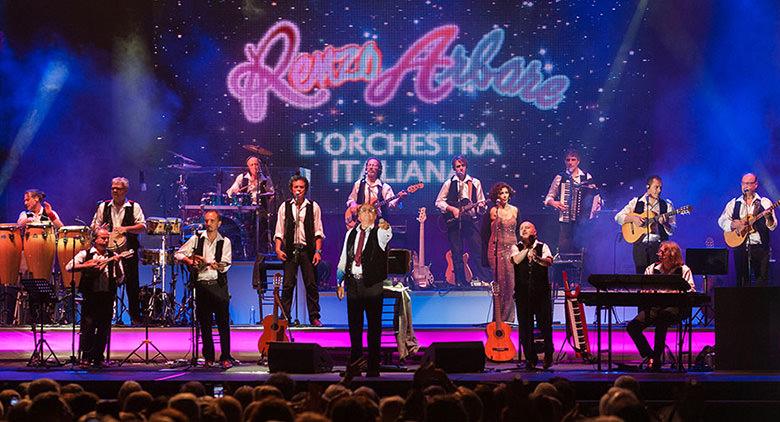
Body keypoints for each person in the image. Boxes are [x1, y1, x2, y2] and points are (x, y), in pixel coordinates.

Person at [336, 204, 392, 377]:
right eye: (363, 211)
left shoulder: (380, 233)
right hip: (353, 284)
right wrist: (340, 282)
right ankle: (355, 364)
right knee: (355, 327)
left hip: (372, 285)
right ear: (358, 216)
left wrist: (385, 224)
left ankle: (373, 366)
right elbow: (344, 259)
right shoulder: (350, 234)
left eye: (371, 211)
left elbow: (388, 233)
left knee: (374, 327)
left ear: (375, 216)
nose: (367, 214)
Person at [174, 210, 235, 369]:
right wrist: (189, 260)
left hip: (218, 286)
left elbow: (226, 263)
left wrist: (218, 266)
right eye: (207, 221)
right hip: (201, 286)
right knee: (205, 325)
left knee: (223, 325)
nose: (208, 224)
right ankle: (209, 357)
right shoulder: (196, 239)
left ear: (219, 223)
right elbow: (178, 254)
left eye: (212, 221)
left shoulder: (225, 241)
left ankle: (225, 357)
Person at [626, 241, 695, 371]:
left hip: (676, 308)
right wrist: (645, 292)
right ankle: (650, 354)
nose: (659, 254)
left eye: (663, 252)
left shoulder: (684, 270)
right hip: (655, 307)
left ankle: (656, 358)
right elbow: (643, 288)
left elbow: (691, 291)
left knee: (662, 318)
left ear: (672, 254)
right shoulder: (651, 269)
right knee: (632, 327)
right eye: (660, 251)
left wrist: (679, 292)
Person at [90, 177, 146, 325]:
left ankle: (135, 317)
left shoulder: (134, 207)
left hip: (128, 251)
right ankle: (107, 317)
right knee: (109, 285)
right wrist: (102, 230)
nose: (114, 191)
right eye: (113, 188)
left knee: (132, 285)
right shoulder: (104, 206)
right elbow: (94, 226)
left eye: (118, 188)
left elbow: (143, 227)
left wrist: (125, 229)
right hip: (109, 251)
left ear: (125, 191)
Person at [66, 228, 124, 368]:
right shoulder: (85, 254)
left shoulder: (113, 255)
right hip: (90, 296)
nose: (105, 241)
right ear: (95, 239)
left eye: (106, 238)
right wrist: (85, 265)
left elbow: (121, 278)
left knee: (104, 328)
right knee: (88, 327)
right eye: (102, 238)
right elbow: (69, 267)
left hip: (106, 296)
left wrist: (116, 263)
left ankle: (98, 358)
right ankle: (86, 357)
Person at [274, 174, 325, 327]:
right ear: (291, 189)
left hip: (307, 250)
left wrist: (318, 251)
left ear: (306, 189)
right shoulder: (285, 206)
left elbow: (318, 231)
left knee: (311, 284)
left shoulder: (313, 206)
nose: (298, 190)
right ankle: (285, 317)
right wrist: (278, 248)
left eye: (301, 187)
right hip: (290, 249)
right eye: (296, 187)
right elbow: (279, 230)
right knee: (288, 284)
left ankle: (314, 317)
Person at [435, 155, 490, 287]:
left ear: (466, 167)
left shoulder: (475, 182)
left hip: (471, 221)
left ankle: (484, 279)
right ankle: (459, 281)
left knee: (478, 249)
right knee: (457, 251)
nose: (461, 169)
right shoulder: (449, 183)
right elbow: (438, 202)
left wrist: (482, 208)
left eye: (462, 166)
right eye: (458, 166)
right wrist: (452, 209)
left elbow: (482, 203)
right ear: (454, 169)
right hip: (454, 222)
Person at [718, 173, 777, 286]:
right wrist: (734, 225)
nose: (746, 186)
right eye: (744, 183)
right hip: (740, 247)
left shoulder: (764, 202)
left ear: (756, 185)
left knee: (761, 281)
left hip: (760, 248)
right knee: (742, 282)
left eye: (750, 183)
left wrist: (768, 217)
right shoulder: (734, 203)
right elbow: (721, 220)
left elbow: (772, 226)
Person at [510, 221, 554, 370]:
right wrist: (527, 249)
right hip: (523, 294)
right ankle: (531, 358)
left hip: (541, 293)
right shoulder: (516, 247)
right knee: (525, 328)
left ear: (534, 232)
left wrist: (537, 258)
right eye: (521, 228)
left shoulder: (543, 246)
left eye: (527, 227)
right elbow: (516, 260)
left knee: (545, 325)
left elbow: (548, 262)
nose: (523, 229)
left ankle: (548, 354)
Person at [614, 175, 676, 274]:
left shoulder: (667, 204)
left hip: (659, 248)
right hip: (640, 246)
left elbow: (672, 230)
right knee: (641, 278)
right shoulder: (636, 202)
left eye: (661, 187)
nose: (659, 190)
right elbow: (618, 217)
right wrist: (633, 218)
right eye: (656, 187)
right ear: (648, 187)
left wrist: (665, 223)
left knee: (657, 279)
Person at [544, 149, 601, 253]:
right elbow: (548, 198)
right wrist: (553, 202)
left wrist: (596, 207)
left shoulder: (586, 177)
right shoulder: (560, 177)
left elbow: (595, 196)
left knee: (582, 250)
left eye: (573, 160)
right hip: (566, 220)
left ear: (578, 161)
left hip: (583, 220)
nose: (570, 162)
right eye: (568, 160)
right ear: (565, 161)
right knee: (565, 249)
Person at [483, 182, 519, 322]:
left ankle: (509, 319)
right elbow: (490, 230)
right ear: (496, 196)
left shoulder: (515, 210)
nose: (504, 195)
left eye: (505, 193)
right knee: (500, 284)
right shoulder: (494, 211)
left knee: (511, 284)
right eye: (501, 193)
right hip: (496, 250)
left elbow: (518, 230)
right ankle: (498, 319)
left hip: (512, 249)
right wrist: (498, 211)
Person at [226, 156, 275, 254]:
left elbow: (272, 194)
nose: (255, 167)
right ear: (248, 167)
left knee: (262, 223)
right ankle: (244, 248)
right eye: (252, 165)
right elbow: (230, 192)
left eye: (256, 164)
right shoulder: (242, 178)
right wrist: (235, 191)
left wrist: (267, 203)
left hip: (261, 208)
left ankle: (260, 248)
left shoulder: (265, 179)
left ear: (260, 166)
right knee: (244, 224)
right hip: (245, 208)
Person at [345, 158, 405, 226]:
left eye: (374, 165)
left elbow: (392, 205)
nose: (371, 167)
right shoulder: (359, 184)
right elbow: (351, 199)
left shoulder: (385, 187)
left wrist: (400, 198)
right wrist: (353, 204)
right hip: (359, 222)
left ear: (379, 169)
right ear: (366, 168)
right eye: (369, 165)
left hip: (377, 223)